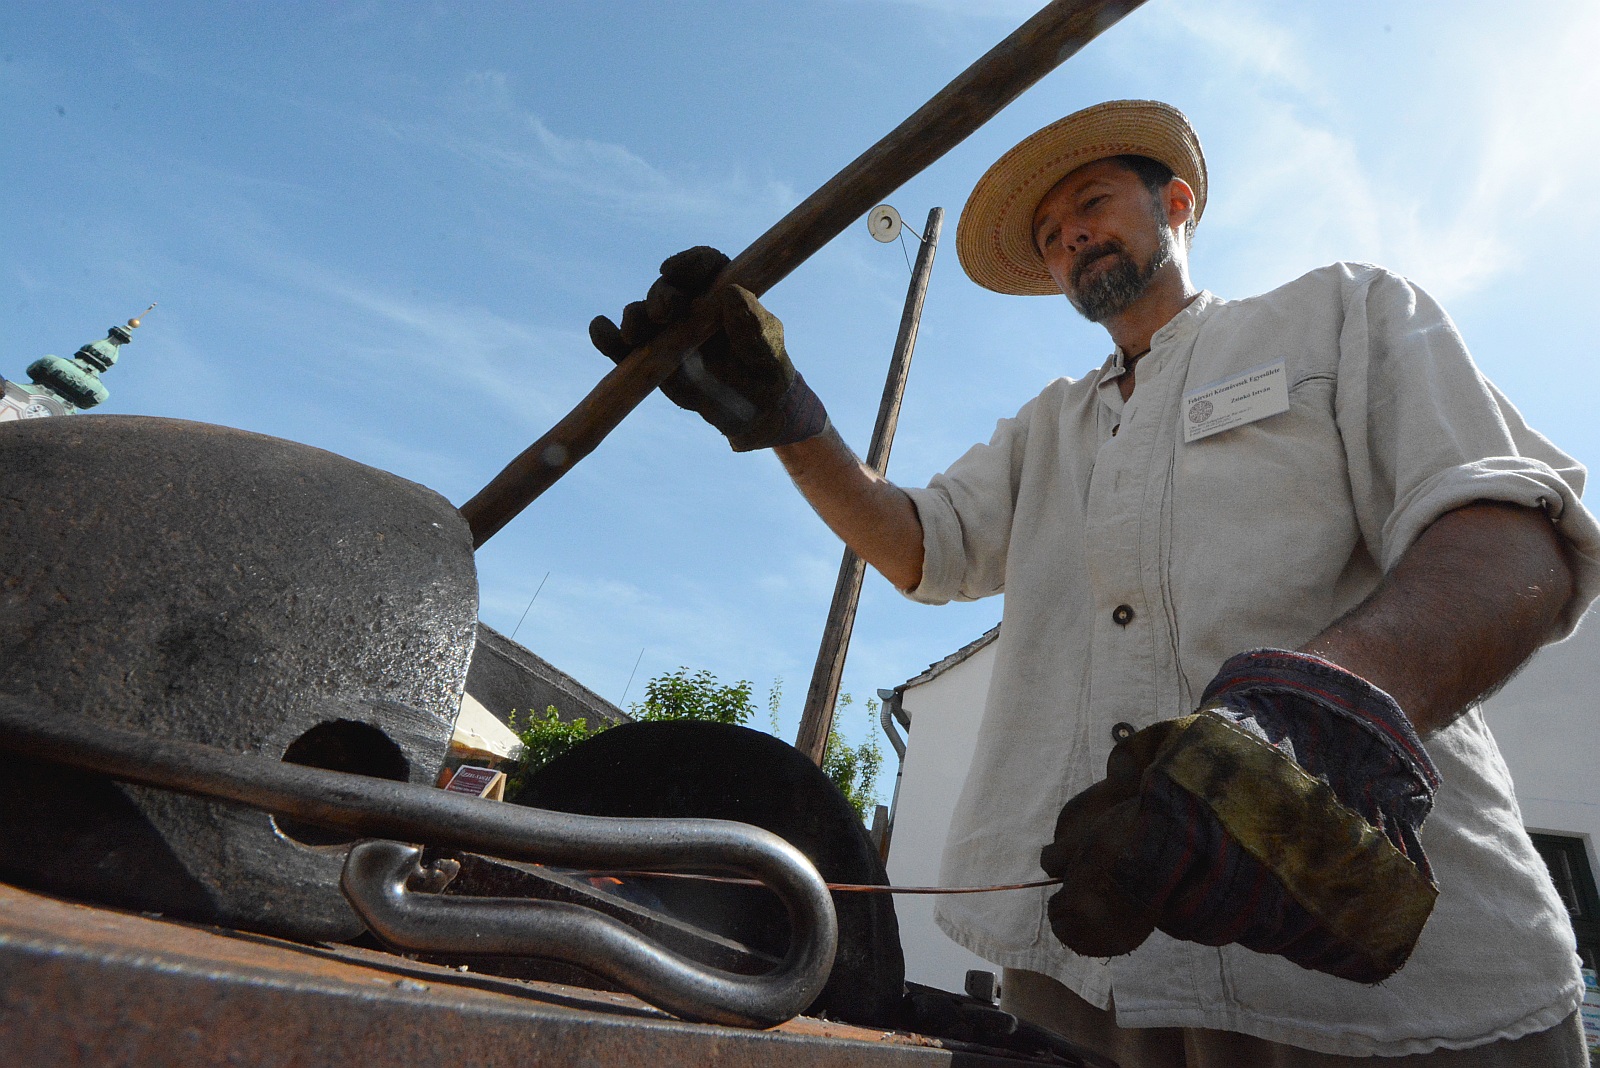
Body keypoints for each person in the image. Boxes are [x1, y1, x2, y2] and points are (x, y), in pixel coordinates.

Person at [591, 100, 1600, 1065]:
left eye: (1090, 204)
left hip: (1399, 1004)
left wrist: (1301, 729)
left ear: (1174, 206)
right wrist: (784, 415)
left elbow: (1512, 531)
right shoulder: (1046, 428)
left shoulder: (1341, 313)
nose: (1068, 236)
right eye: (1049, 233)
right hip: (1082, 988)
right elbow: (918, 546)